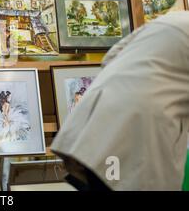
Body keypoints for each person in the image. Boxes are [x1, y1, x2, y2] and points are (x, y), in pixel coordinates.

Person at [51, 11, 189, 191]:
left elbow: (110, 57)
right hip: (144, 127)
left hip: (100, 119)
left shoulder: (172, 19)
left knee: (105, 180)